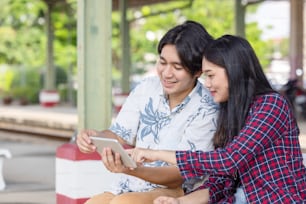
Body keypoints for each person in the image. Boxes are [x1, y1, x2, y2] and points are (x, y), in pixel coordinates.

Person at [129, 35, 306, 203]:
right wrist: (179, 202)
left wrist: (155, 154)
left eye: (211, 75)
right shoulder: (230, 113)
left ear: (233, 70)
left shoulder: (271, 105)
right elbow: (220, 182)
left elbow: (228, 160)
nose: (207, 83)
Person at [76, 20, 219, 204]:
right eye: (162, 62)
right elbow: (119, 134)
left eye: (177, 67)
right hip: (130, 184)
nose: (166, 73)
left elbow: (178, 176)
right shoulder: (147, 88)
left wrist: (129, 168)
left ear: (198, 70)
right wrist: (95, 136)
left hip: (178, 191)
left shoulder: (207, 109)